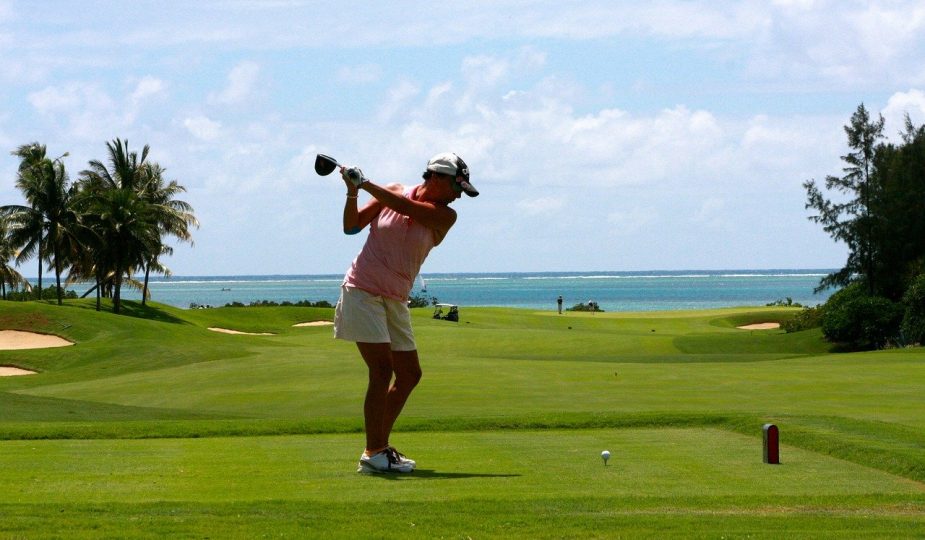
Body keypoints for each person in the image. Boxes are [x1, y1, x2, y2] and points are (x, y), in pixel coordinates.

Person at [334, 152, 478, 474]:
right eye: (457, 187)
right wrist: (353, 190)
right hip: (362, 289)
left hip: (396, 298)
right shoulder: (394, 191)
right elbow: (351, 226)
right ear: (437, 178)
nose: (459, 196)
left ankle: (377, 448)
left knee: (410, 374)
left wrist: (367, 182)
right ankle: (375, 454)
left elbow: (407, 208)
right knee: (382, 370)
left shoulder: (445, 216)